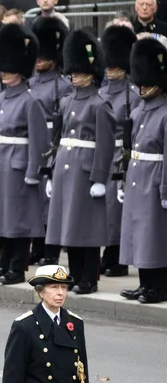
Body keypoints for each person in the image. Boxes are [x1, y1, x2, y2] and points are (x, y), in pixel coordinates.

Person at [0, 23, 49, 285]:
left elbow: (39, 141)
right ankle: (2, 263)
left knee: (18, 219)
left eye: (9, 69)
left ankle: (17, 267)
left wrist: (33, 171)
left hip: (18, 167)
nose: (4, 73)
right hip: (0, 163)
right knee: (1, 215)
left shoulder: (31, 101)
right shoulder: (2, 98)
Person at [46, 30, 114, 295]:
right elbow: (60, 138)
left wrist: (99, 177)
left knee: (88, 227)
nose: (74, 76)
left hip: (85, 171)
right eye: (72, 71)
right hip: (66, 169)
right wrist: (52, 171)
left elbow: (105, 144)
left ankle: (89, 278)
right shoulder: (67, 100)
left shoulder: (100, 104)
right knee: (70, 226)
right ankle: (74, 274)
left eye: (79, 71)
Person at [120, 37, 167, 304]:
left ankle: (158, 287)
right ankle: (144, 283)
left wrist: (165, 189)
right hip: (138, 177)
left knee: (154, 236)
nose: (143, 86)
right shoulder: (138, 111)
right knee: (139, 234)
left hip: (155, 179)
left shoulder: (165, 112)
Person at [29, 16, 70, 266]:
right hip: (32, 143)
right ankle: (35, 246)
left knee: (50, 202)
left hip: (51, 144)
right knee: (33, 199)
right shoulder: (31, 82)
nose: (38, 60)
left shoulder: (62, 86)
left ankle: (50, 250)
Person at [100, 23, 137, 279]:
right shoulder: (101, 92)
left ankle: (117, 258)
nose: (110, 69)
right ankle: (108, 254)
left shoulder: (131, 95)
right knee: (103, 209)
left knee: (116, 211)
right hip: (103, 155)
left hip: (119, 156)